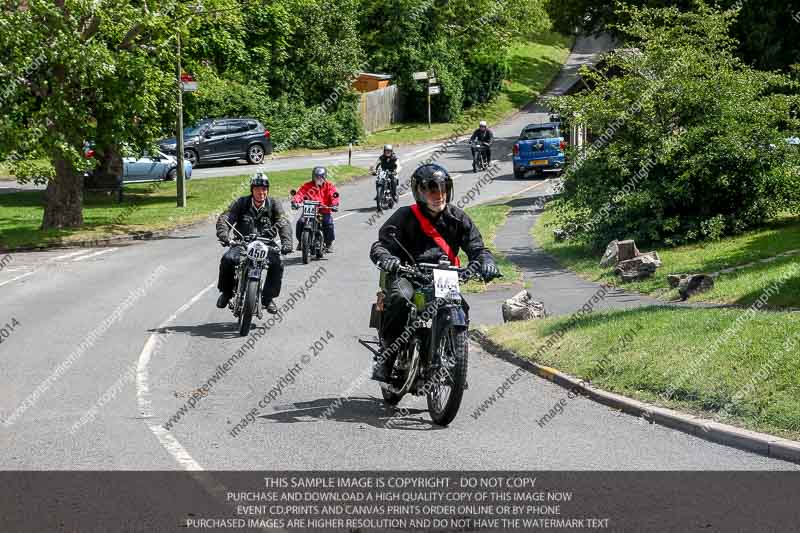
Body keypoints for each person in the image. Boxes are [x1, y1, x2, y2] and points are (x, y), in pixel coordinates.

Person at [368, 163, 500, 381]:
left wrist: (486, 262)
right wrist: (388, 259)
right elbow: (380, 245)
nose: (438, 194)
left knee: (460, 307)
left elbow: (478, 248)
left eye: (442, 188)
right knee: (401, 299)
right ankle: (387, 357)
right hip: (409, 274)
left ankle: (451, 358)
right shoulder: (404, 216)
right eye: (430, 189)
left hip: (444, 276)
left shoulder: (458, 218)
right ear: (419, 192)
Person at [215, 173, 293, 314]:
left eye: (264, 189)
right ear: (252, 190)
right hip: (242, 243)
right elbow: (226, 218)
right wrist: (224, 235)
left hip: (266, 244)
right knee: (227, 259)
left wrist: (287, 243)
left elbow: (284, 223)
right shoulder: (241, 203)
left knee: (278, 263)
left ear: (267, 190)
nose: (261, 192)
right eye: (257, 189)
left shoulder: (274, 204)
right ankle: (226, 292)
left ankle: (268, 298)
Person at [291, 166, 340, 252]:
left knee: (328, 224)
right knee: (300, 222)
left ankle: (328, 243)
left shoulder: (329, 186)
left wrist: (334, 204)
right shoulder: (307, 186)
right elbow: (300, 194)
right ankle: (301, 241)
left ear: (324, 177)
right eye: (316, 177)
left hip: (323, 210)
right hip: (310, 210)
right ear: (313, 176)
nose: (318, 179)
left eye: (320, 177)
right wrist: (295, 201)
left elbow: (333, 196)